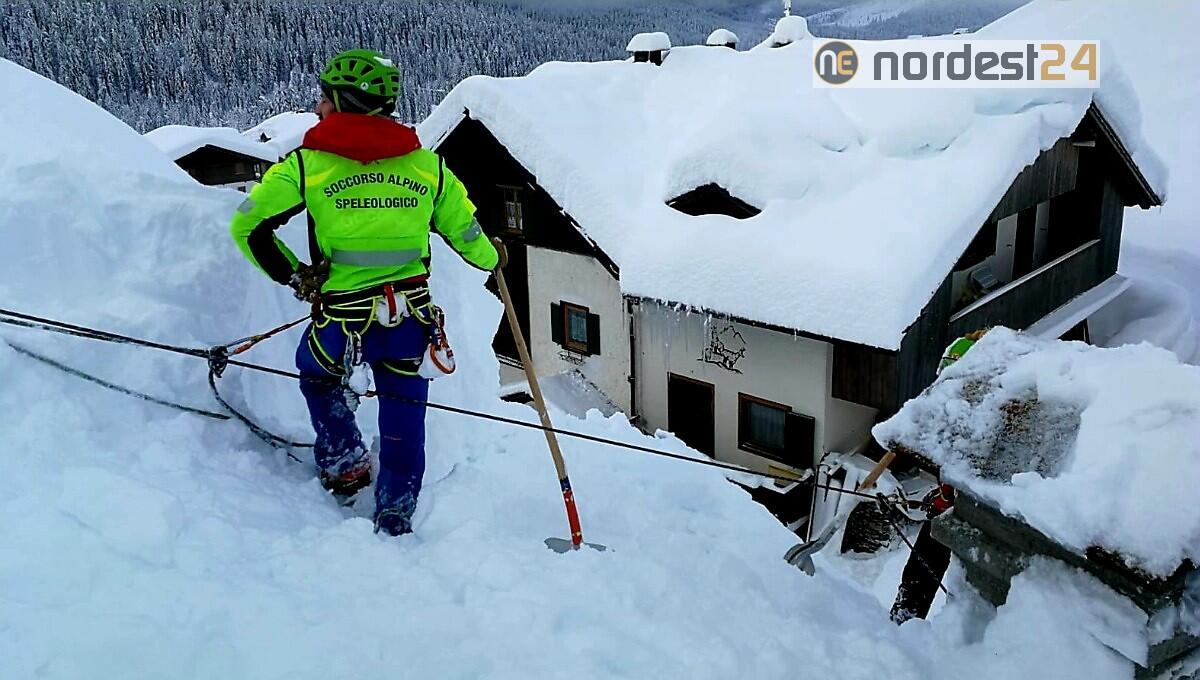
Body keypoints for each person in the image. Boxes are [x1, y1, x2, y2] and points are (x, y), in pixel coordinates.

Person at [230, 49, 498, 536]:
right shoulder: (427, 168)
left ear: (343, 102)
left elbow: (248, 227)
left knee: (318, 376)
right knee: (404, 410)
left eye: (324, 97)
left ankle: (346, 461)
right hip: (409, 322)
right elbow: (471, 240)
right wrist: (493, 257)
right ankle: (396, 508)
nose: (317, 106)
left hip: (342, 322)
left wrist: (296, 275)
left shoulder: (306, 167)